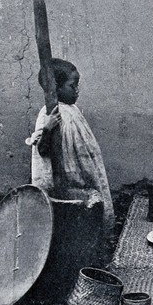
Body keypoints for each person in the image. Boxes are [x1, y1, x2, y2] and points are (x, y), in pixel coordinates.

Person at [28, 58, 114, 239]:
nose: (77, 90)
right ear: (55, 89)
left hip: (80, 171)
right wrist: (48, 128)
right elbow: (42, 150)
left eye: (77, 85)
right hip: (67, 177)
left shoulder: (71, 109)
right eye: (72, 85)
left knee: (92, 205)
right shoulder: (49, 114)